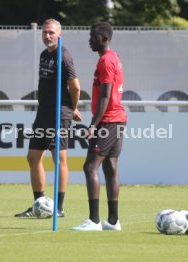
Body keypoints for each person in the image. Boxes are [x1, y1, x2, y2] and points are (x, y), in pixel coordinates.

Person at [15, 18, 82, 218]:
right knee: (33, 157)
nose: (47, 36)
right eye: (45, 32)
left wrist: (73, 108)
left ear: (60, 34)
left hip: (59, 114)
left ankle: (58, 208)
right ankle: (39, 205)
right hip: (43, 112)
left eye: (51, 32)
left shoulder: (64, 56)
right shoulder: (44, 54)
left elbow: (76, 87)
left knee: (59, 158)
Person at [72, 22, 127, 230]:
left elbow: (105, 96)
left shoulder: (106, 61)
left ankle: (94, 220)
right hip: (117, 119)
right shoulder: (114, 58)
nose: (89, 40)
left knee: (89, 167)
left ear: (104, 39)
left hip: (108, 120)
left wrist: (93, 125)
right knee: (110, 167)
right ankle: (113, 222)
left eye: (93, 36)